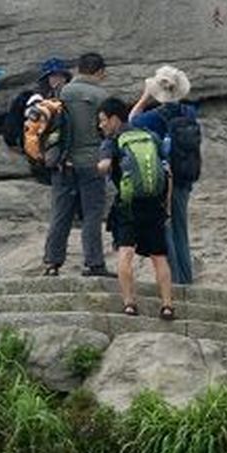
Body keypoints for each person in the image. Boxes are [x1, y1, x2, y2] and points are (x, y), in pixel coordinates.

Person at [97, 97, 176, 320]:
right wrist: (166, 205)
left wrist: (104, 165)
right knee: (159, 256)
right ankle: (167, 305)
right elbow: (167, 172)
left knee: (126, 252)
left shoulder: (112, 141)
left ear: (114, 119)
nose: (101, 125)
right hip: (154, 204)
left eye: (103, 120)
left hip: (128, 205)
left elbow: (103, 167)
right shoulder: (150, 136)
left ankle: (129, 303)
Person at [41, 52, 113, 278]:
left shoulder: (61, 92)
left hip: (63, 162)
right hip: (92, 162)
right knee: (91, 214)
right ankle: (94, 263)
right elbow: (107, 130)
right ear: (99, 71)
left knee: (61, 213)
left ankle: (52, 263)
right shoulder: (102, 95)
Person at [128, 65, 200, 285]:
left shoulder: (153, 118)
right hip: (185, 178)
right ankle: (186, 278)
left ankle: (174, 279)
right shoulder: (189, 113)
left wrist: (144, 97)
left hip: (163, 179)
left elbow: (131, 120)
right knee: (181, 229)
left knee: (165, 228)